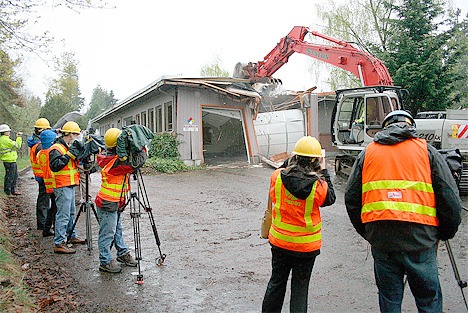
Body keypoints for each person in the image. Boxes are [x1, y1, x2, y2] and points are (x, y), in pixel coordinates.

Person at [345, 110, 462, 313]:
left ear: (384, 127)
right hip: (421, 240)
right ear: (411, 126)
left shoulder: (368, 153)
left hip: (382, 240)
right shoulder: (427, 151)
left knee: (390, 300)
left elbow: (351, 198)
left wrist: (368, 232)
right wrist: (444, 232)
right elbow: (449, 197)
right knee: (428, 301)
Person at [261, 136, 336, 313]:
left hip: (280, 241)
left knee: (276, 282)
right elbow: (330, 198)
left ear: (294, 157)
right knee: (300, 288)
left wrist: (294, 159)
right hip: (306, 246)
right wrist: (323, 171)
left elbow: (283, 170)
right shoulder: (319, 186)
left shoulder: (276, 177)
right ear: (317, 160)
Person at [95, 128, 144, 273]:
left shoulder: (109, 156)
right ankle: (105, 261)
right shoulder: (115, 162)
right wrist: (141, 148)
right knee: (108, 232)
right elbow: (136, 163)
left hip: (115, 201)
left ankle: (122, 253)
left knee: (117, 230)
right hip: (108, 202)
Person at [49, 121, 86, 254]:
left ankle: (71, 235)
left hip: (69, 184)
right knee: (63, 215)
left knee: (70, 213)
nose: (77, 137)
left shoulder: (65, 147)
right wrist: (69, 155)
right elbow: (55, 165)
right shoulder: (57, 148)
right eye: (76, 134)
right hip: (62, 185)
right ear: (70, 134)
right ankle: (59, 243)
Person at [28, 118, 52, 230]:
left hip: (40, 175)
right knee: (44, 201)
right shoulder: (39, 145)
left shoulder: (35, 142)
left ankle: (43, 223)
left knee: (43, 200)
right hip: (43, 176)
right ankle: (42, 224)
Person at [37, 129, 58, 237]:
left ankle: (47, 228)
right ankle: (51, 228)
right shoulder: (52, 153)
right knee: (55, 208)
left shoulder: (40, 153)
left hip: (47, 183)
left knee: (53, 207)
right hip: (55, 183)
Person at [0, 124, 23, 196]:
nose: (9, 132)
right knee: (10, 176)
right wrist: (19, 138)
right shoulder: (5, 140)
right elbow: (17, 146)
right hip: (9, 160)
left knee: (14, 176)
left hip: (10, 160)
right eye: (8, 131)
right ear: (4, 132)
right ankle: (8, 191)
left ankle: (12, 190)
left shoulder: (4, 139)